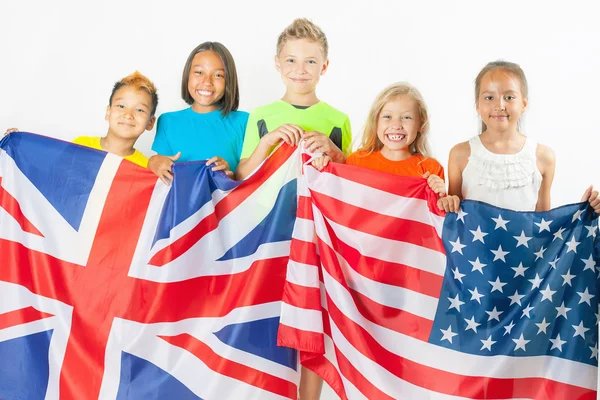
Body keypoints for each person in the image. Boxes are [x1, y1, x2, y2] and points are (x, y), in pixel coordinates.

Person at [439, 60, 599, 214]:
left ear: (523, 104)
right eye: (489, 97)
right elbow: (455, 220)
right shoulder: (460, 154)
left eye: (509, 97)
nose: (499, 105)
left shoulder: (543, 157)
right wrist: (445, 201)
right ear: (477, 105)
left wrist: (582, 212)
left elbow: (543, 226)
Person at [235, 18, 351, 181]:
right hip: (269, 207)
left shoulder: (339, 120)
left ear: (323, 67)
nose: (300, 70)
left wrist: (335, 154)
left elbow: (350, 183)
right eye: (291, 60)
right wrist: (266, 143)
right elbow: (241, 176)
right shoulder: (260, 116)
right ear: (277, 63)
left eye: (310, 61)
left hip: (314, 205)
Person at [4, 71, 158, 168]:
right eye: (121, 106)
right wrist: (18, 148)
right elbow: (49, 171)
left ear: (150, 123)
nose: (128, 114)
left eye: (139, 110)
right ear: (108, 112)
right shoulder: (81, 146)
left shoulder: (144, 168)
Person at [149, 42, 248, 184]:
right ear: (187, 75)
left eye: (218, 75)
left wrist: (228, 176)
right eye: (199, 72)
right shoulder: (168, 121)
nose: (207, 82)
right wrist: (152, 162)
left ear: (229, 81)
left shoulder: (244, 121)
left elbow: (251, 180)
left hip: (227, 205)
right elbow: (163, 177)